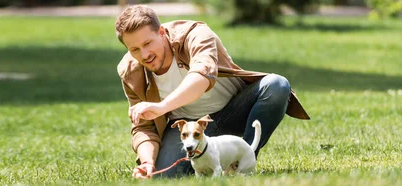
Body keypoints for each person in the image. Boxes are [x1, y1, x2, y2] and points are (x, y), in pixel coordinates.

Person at [114, 5, 311, 179]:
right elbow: (144, 127)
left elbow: (202, 77)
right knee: (164, 176)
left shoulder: (195, 34)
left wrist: (162, 107)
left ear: (162, 32)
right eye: (135, 49)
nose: (144, 55)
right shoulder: (130, 71)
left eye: (148, 43)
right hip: (188, 128)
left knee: (277, 85)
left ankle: (241, 162)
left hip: (234, 110)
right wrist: (147, 161)